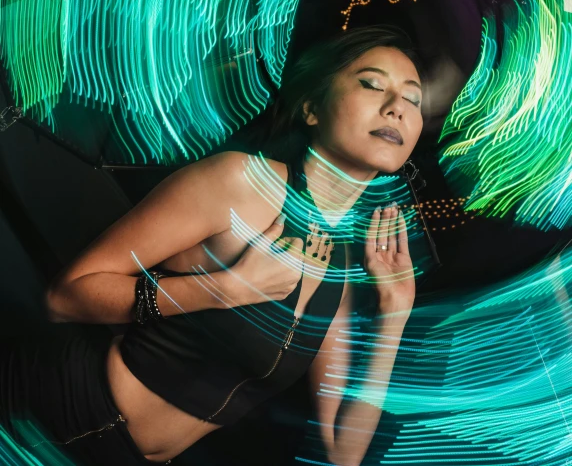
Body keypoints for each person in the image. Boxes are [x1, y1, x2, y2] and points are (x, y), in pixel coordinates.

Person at [1, 25, 423, 466]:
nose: (396, 108)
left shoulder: (339, 266)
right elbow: (65, 297)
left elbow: (343, 451)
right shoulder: (240, 183)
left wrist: (396, 309)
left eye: (413, 99)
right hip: (44, 412)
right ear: (312, 107)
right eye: (372, 85)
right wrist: (225, 289)